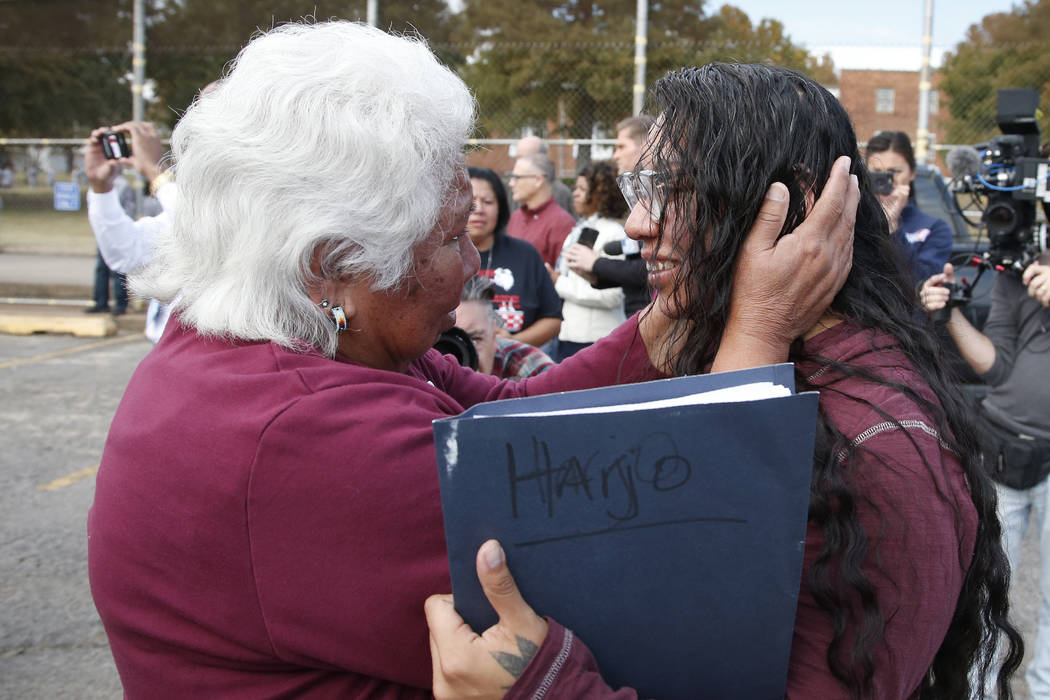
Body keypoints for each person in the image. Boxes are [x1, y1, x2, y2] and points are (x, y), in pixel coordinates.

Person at [87, 23, 856, 698]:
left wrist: (678, 301)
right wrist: (756, 327)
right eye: (451, 237)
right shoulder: (310, 438)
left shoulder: (276, 340)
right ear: (330, 265)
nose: (473, 266)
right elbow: (697, 582)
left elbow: (524, 417)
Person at [425, 63, 1023, 700]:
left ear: (786, 206)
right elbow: (513, 411)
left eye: (670, 187)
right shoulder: (737, 341)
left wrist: (543, 687)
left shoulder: (881, 441)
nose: (636, 224)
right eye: (637, 188)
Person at [922, 257, 1050, 698]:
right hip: (1003, 446)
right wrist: (951, 312)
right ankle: (976, 690)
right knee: (989, 586)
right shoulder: (1018, 273)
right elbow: (995, 366)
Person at [84, 120, 175, 342]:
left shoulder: (261, 191)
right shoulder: (188, 202)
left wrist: (155, 171)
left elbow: (204, 228)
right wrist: (101, 188)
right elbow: (125, 253)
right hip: (166, 350)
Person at [566, 116, 653, 318]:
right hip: (637, 314)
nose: (615, 156)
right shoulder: (641, 193)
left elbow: (650, 266)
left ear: (646, 146)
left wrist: (597, 264)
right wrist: (597, 276)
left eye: (621, 147)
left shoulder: (660, 194)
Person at [468, 166, 562, 347]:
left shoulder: (525, 254)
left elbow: (553, 319)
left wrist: (511, 343)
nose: (479, 209)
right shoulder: (439, 255)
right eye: (471, 202)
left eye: (488, 201)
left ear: (500, 207)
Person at [553, 160, 629, 360]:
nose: (575, 194)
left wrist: (558, 282)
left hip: (595, 338)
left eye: (582, 189)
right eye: (575, 188)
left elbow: (613, 295)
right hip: (569, 334)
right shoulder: (578, 229)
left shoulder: (613, 233)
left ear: (600, 194)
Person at [865, 130, 952, 284]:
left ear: (912, 173)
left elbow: (923, 283)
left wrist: (892, 225)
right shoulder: (854, 221)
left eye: (894, 172)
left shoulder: (933, 228)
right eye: (877, 173)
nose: (885, 180)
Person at [456, 275, 554, 380]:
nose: (462, 356)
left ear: (494, 336)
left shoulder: (530, 367)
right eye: (451, 342)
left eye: (475, 339)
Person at [506, 153, 576, 268]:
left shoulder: (562, 223)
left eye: (517, 177)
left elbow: (563, 275)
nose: (511, 183)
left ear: (538, 180)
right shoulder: (516, 217)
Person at [515, 135, 576, 218]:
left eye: (527, 159)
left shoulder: (560, 193)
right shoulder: (511, 189)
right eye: (519, 158)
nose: (520, 163)